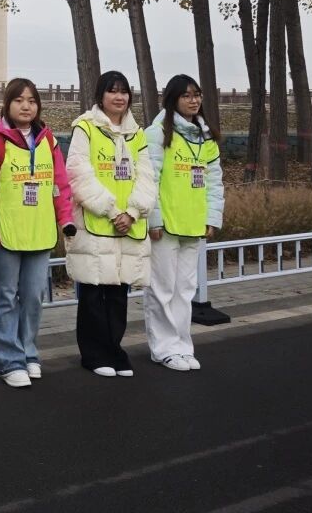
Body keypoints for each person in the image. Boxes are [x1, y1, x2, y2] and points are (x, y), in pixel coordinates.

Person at [0, 78, 74, 387]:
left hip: (39, 232)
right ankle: (8, 360)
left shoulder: (49, 142)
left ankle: (28, 352)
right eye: (19, 100)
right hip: (4, 234)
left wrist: (65, 218)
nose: (26, 106)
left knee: (33, 296)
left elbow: (60, 185)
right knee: (4, 297)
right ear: (7, 104)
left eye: (31, 100)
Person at [64, 70, 157, 378]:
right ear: (100, 96)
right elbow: (78, 173)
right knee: (93, 292)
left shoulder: (137, 134)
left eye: (124, 91)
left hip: (127, 226)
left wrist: (132, 212)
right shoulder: (85, 128)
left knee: (118, 293)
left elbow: (147, 177)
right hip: (96, 223)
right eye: (112, 91)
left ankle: (114, 350)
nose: (119, 97)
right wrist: (112, 210)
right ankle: (93, 354)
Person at [145, 74, 224, 372]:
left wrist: (211, 217)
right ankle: (163, 348)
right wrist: (154, 218)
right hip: (165, 225)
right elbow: (150, 179)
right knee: (162, 289)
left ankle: (182, 346)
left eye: (197, 95)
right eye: (186, 96)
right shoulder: (157, 133)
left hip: (193, 224)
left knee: (185, 290)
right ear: (173, 100)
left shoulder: (206, 136)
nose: (193, 101)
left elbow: (214, 182)